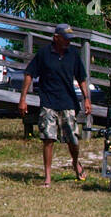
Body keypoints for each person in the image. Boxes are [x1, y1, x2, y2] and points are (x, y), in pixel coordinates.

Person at [18, 24, 93, 187]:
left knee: (73, 139)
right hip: (48, 101)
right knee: (48, 138)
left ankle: (75, 162)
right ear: (56, 38)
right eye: (65, 39)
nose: (68, 42)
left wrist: (87, 99)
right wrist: (23, 98)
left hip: (68, 101)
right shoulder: (44, 54)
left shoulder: (73, 54)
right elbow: (29, 73)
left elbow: (82, 78)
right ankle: (48, 176)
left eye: (70, 39)